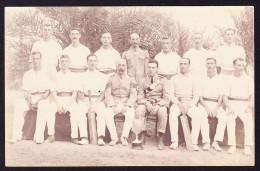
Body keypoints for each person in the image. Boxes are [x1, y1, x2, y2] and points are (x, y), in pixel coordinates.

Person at [34, 54, 88, 145]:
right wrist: (58, 104)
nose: (64, 63)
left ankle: (74, 136)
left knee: (76, 110)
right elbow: (53, 92)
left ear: (69, 63)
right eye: (62, 61)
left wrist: (67, 105)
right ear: (59, 63)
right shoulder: (55, 75)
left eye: (66, 61)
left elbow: (74, 93)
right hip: (57, 99)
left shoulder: (74, 76)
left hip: (70, 99)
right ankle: (51, 135)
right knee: (49, 109)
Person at [9, 51, 50, 143]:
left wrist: (38, 101)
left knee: (44, 105)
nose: (35, 61)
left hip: (41, 98)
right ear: (31, 60)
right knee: (18, 103)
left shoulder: (46, 73)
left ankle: (39, 136)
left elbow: (48, 91)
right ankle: (16, 135)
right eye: (34, 59)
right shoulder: (27, 74)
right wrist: (29, 101)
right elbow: (25, 90)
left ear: (41, 60)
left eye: (37, 58)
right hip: (30, 98)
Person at [134, 59, 170, 150]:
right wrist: (146, 103)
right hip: (146, 103)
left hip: (159, 103)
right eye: (149, 67)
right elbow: (140, 97)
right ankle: (141, 135)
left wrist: (158, 105)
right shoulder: (142, 81)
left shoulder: (163, 80)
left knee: (163, 112)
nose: (151, 69)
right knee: (139, 110)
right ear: (147, 68)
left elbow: (166, 97)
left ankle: (160, 137)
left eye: (153, 67)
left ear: (157, 69)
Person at [169, 58, 202, 151]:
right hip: (178, 103)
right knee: (172, 113)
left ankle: (193, 142)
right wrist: (179, 104)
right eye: (181, 64)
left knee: (197, 115)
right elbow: (171, 95)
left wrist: (189, 105)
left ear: (189, 65)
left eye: (185, 64)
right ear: (179, 65)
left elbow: (196, 95)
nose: (183, 66)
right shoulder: (174, 78)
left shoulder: (194, 78)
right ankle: (174, 141)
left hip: (189, 104)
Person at [223, 58, 253, 155]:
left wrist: (249, 106)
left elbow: (252, 95)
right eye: (238, 65)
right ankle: (232, 145)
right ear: (234, 66)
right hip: (232, 103)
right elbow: (225, 97)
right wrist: (229, 108)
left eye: (243, 65)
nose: (241, 68)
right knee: (230, 119)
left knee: (249, 121)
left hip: (245, 103)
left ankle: (247, 146)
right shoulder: (228, 79)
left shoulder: (248, 79)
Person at [77, 54, 109, 146]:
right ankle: (84, 137)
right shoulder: (82, 75)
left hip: (98, 99)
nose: (92, 63)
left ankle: (100, 137)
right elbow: (79, 92)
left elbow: (103, 93)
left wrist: (95, 103)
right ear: (87, 62)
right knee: (80, 111)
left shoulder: (102, 76)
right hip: (85, 99)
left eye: (94, 61)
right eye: (90, 61)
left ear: (97, 63)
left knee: (101, 111)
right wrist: (86, 102)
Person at [104, 59, 137, 146]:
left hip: (126, 102)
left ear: (126, 67)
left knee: (130, 113)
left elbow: (133, 94)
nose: (121, 67)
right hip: (114, 102)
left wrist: (128, 105)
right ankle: (114, 138)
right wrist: (112, 105)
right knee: (107, 113)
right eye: (119, 65)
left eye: (123, 65)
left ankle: (124, 137)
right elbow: (107, 93)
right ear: (116, 67)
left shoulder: (131, 79)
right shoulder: (110, 78)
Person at [197, 58, 226, 151]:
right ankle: (206, 142)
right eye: (208, 63)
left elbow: (221, 95)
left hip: (216, 104)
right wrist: (206, 108)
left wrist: (217, 108)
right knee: (201, 115)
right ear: (205, 65)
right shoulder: (201, 78)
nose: (210, 65)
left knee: (223, 116)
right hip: (204, 103)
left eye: (212, 63)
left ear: (215, 65)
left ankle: (216, 142)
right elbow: (199, 96)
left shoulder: (220, 79)